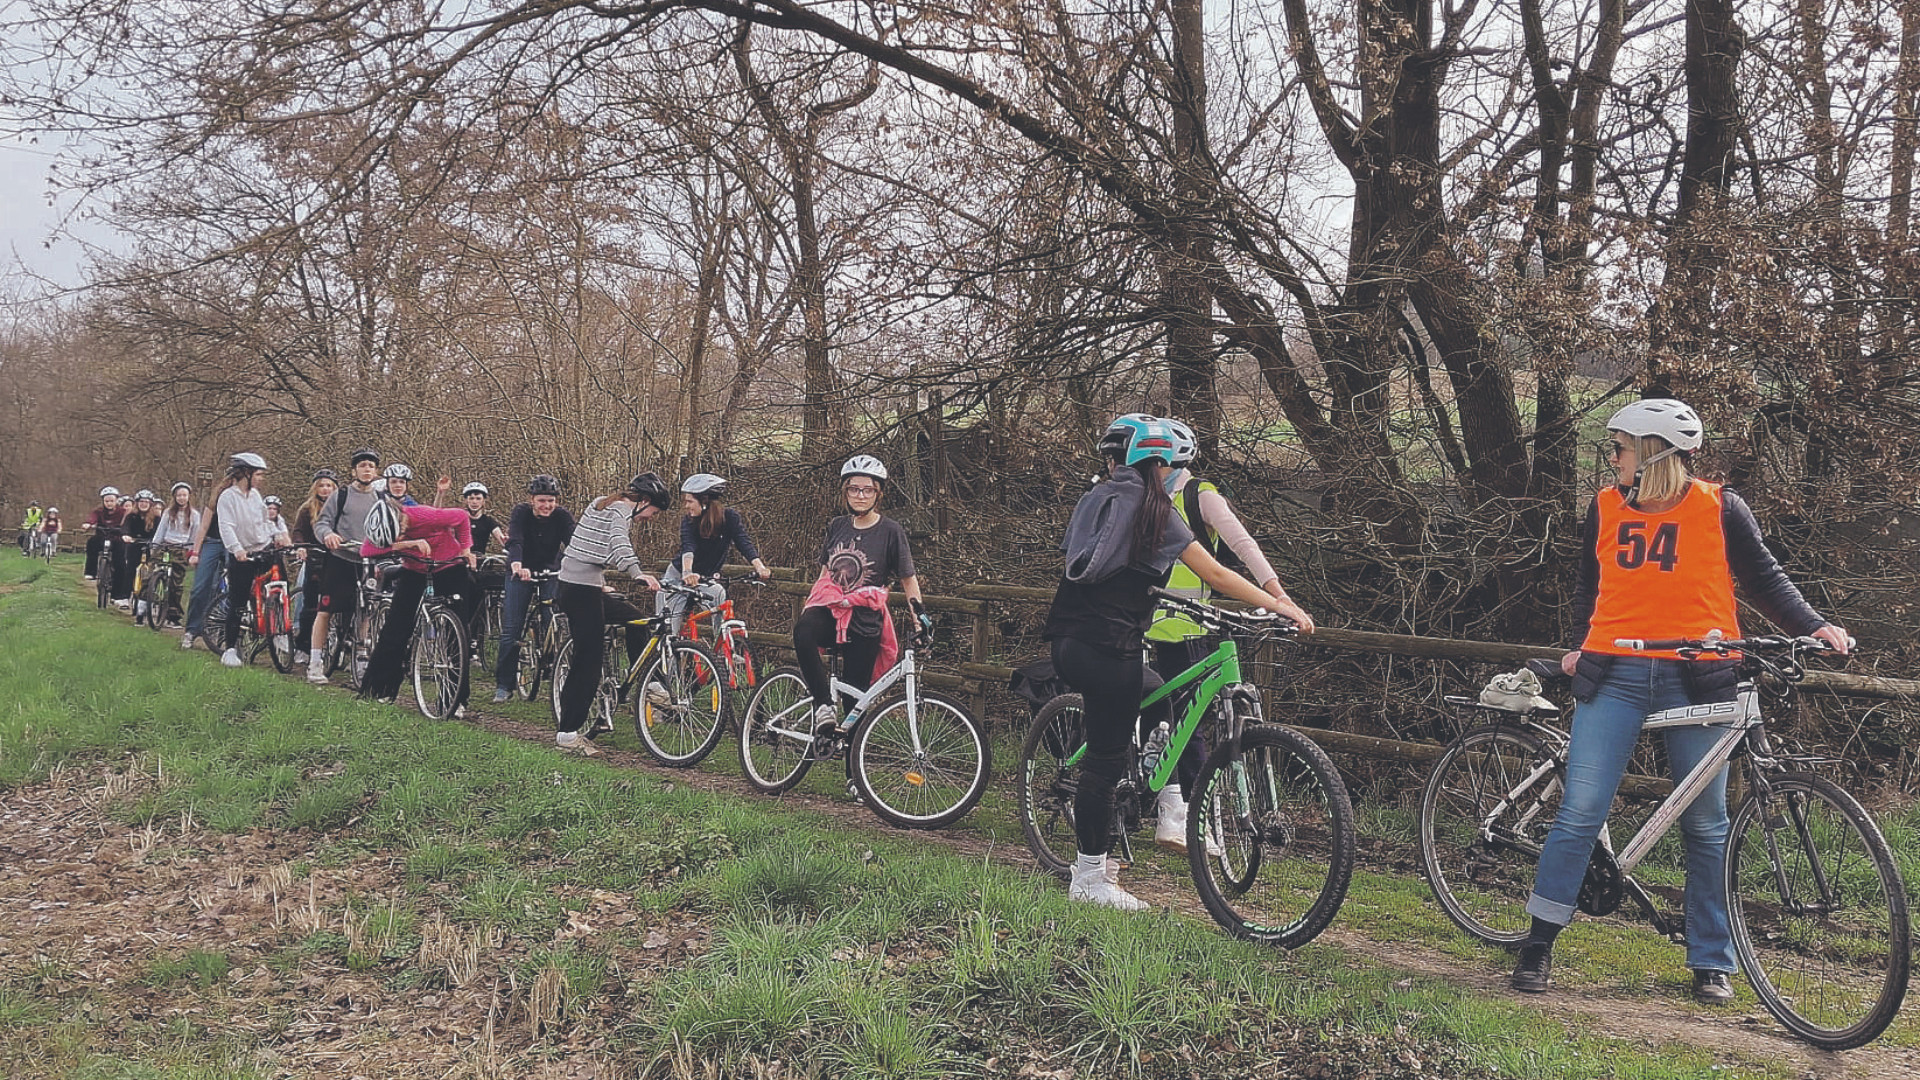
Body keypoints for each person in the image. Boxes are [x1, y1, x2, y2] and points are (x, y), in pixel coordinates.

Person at [1509, 398, 1851, 1004]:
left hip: (1700, 677)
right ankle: (1537, 945)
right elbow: (1592, 590)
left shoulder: (1721, 509)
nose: (1610, 458)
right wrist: (1579, 649)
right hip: (1615, 673)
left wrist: (1815, 625)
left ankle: (1711, 961)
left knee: (1707, 825)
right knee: (1582, 811)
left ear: (1652, 455)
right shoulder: (1604, 507)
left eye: (1619, 448)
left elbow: (1765, 579)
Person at [1045, 415, 1312, 911]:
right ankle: (1089, 878)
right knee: (1103, 764)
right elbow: (1213, 571)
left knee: (1158, 691)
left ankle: (1163, 798)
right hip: (1111, 648)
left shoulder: (1094, 499)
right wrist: (1280, 604)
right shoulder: (1155, 510)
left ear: (1117, 460)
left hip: (1067, 639)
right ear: (1162, 464)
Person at [1142, 417, 1306, 851]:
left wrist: (1279, 595)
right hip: (1143, 622)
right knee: (1155, 718)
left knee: (1188, 723)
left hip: (1186, 626)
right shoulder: (1142, 497)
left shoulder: (1200, 497)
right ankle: (1168, 810)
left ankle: (1184, 816)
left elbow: (1243, 546)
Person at [792, 456, 929, 739]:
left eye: (867, 490)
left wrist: (920, 621)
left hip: (865, 621)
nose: (861, 495)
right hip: (831, 611)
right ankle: (823, 706)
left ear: (878, 493)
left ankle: (853, 779)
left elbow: (908, 579)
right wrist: (811, 607)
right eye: (854, 489)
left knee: (857, 701)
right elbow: (823, 574)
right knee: (803, 631)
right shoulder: (837, 526)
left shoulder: (891, 531)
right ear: (846, 492)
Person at [553, 474, 668, 753]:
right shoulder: (620, 510)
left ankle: (650, 682)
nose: (651, 518)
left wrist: (601, 582)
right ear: (644, 501)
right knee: (588, 660)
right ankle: (567, 734)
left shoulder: (601, 503)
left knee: (636, 620)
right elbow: (618, 543)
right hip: (579, 591)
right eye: (654, 512)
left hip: (584, 585)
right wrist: (637, 573)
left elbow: (586, 547)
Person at [357, 482, 479, 710]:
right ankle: (378, 690)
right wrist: (407, 542)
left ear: (402, 519)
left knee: (456, 631)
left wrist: (465, 549)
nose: (400, 535)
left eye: (401, 531)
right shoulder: (382, 526)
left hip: (449, 566)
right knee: (395, 629)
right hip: (414, 570)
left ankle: (454, 698)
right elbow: (367, 550)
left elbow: (462, 517)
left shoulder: (424, 515)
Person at [492, 474, 577, 703]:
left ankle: (556, 672)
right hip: (521, 571)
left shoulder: (561, 516)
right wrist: (517, 563)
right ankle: (504, 684)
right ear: (532, 500)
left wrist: (582, 564)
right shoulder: (521, 513)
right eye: (542, 500)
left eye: (550, 500)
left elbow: (574, 542)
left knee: (556, 622)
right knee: (512, 628)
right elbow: (516, 539)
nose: (546, 506)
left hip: (551, 571)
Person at [658, 473, 772, 634]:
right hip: (679, 575)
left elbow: (744, 543)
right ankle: (668, 657)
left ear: (704, 501)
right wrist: (687, 572)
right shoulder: (689, 520)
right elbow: (688, 547)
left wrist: (760, 567)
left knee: (719, 595)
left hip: (705, 578)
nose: (686, 506)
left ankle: (723, 652)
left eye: (690, 501)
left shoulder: (730, 518)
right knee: (668, 631)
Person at [307, 450, 384, 684]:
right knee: (326, 610)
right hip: (341, 558)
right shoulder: (340, 496)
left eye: (371, 465)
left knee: (367, 611)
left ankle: (361, 659)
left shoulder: (381, 498)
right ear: (354, 471)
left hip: (368, 561)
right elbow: (322, 524)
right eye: (362, 465)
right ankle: (315, 662)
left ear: (376, 471)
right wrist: (329, 535)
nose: (367, 469)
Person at [214, 453, 286, 667]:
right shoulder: (228, 497)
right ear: (246, 473)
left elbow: (264, 521)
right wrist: (237, 549)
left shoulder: (255, 496)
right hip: (243, 555)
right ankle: (229, 649)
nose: (261, 479)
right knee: (237, 601)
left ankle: (280, 629)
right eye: (259, 474)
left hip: (262, 549)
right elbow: (226, 526)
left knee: (280, 586)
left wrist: (277, 535)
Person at [290, 470, 339, 664]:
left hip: (337, 558)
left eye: (329, 485)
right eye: (322, 485)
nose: (325, 489)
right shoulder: (307, 509)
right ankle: (303, 645)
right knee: (310, 605)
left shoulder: (340, 508)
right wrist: (301, 546)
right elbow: (298, 532)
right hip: (315, 559)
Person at [148, 483, 200, 628]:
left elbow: (195, 535)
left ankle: (174, 614)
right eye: (179, 495)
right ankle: (148, 601)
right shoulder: (168, 513)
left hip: (182, 549)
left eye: (184, 495)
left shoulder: (195, 515)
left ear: (189, 497)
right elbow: (161, 530)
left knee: (176, 582)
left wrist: (192, 551)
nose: (182, 498)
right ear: (175, 497)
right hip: (166, 546)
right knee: (154, 572)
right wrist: (155, 545)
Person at [116, 490, 159, 610]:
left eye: (146, 502)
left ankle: (148, 598)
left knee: (151, 571)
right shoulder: (131, 515)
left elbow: (158, 532)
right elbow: (125, 527)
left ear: (150, 504)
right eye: (141, 502)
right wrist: (126, 535)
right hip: (134, 543)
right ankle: (125, 597)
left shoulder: (156, 518)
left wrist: (154, 541)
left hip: (150, 545)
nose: (143, 504)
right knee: (130, 569)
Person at [82, 487, 126, 581]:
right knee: (91, 543)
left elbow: (127, 521)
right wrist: (88, 524)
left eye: (111, 501)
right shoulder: (98, 511)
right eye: (106, 501)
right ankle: (90, 572)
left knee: (120, 553)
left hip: (116, 538)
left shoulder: (122, 511)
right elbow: (92, 518)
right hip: (102, 536)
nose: (109, 503)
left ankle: (118, 578)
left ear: (116, 500)